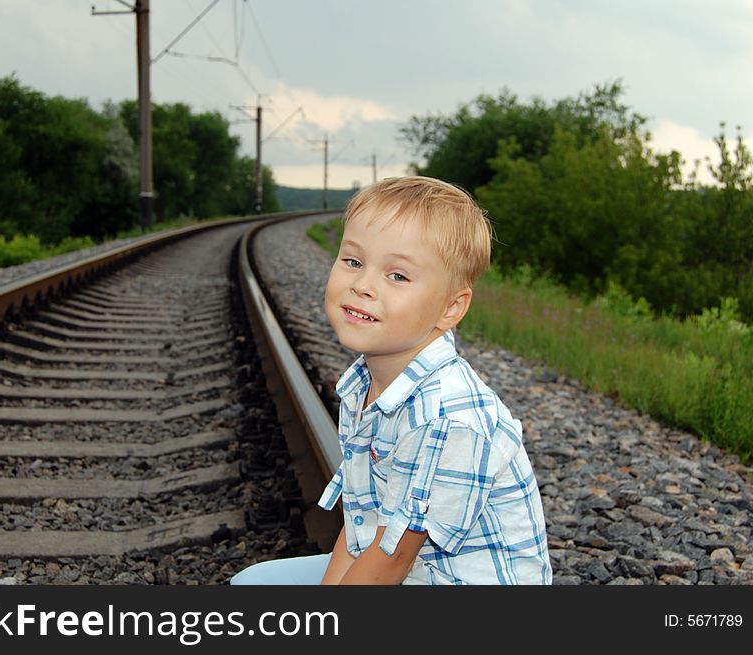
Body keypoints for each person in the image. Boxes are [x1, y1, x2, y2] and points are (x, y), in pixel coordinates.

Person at [231, 176, 551, 585]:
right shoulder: (367, 382)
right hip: (413, 570)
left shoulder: (443, 417)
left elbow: (391, 559)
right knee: (250, 585)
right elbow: (364, 524)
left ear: (451, 307)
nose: (363, 285)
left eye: (397, 276)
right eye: (353, 261)